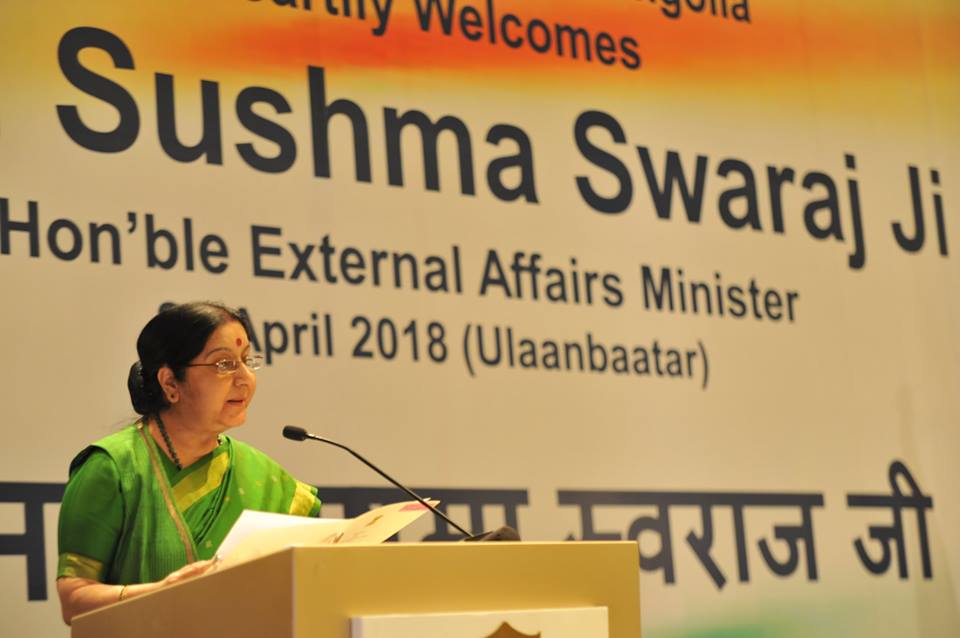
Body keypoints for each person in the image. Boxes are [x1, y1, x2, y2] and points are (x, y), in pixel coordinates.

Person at [56, 302, 321, 624]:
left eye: (247, 360)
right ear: (170, 383)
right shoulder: (112, 467)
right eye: (224, 364)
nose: (245, 378)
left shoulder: (268, 478)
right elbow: (74, 602)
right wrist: (162, 591)